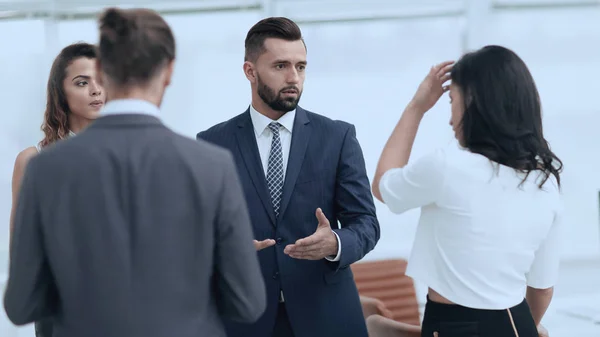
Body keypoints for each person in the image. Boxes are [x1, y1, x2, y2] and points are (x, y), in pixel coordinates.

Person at [4, 7, 266, 337]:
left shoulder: (45, 170)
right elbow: (247, 303)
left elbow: (21, 305)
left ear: (104, 69)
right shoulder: (212, 165)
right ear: (169, 71)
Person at [197, 17, 380, 337]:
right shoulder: (212, 144)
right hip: (245, 319)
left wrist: (334, 242)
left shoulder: (337, 137)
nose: (293, 77)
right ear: (249, 71)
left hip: (327, 318)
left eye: (301, 66)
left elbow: (366, 224)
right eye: (280, 66)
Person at [371, 46, 562, 337]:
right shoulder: (544, 180)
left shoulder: (447, 166)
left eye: (451, 101)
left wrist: (417, 106)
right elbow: (543, 289)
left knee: (373, 328)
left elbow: (384, 185)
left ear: (472, 102)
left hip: (457, 326)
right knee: (377, 328)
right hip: (518, 322)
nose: (450, 120)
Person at [7, 41, 105, 337]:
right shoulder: (33, 160)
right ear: (60, 92)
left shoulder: (130, 155)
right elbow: (21, 250)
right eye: (82, 82)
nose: (96, 90)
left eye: (102, 79)